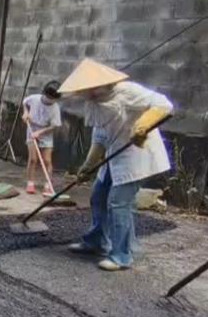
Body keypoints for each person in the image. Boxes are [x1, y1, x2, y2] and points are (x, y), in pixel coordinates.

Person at [60, 58, 173, 272]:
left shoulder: (127, 91)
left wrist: (143, 126)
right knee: (98, 196)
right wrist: (88, 165)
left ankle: (122, 255)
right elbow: (100, 135)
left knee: (118, 203)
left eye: (84, 89)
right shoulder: (95, 103)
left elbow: (164, 104)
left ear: (94, 87)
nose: (81, 94)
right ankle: (96, 241)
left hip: (137, 153)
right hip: (114, 154)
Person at [23, 80, 63, 196]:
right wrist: (26, 113)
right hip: (32, 129)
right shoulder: (34, 98)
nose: (50, 100)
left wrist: (40, 132)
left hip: (46, 132)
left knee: (47, 161)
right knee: (33, 159)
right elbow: (25, 102)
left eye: (53, 98)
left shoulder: (55, 108)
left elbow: (54, 126)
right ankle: (30, 183)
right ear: (44, 93)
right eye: (49, 97)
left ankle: (48, 185)